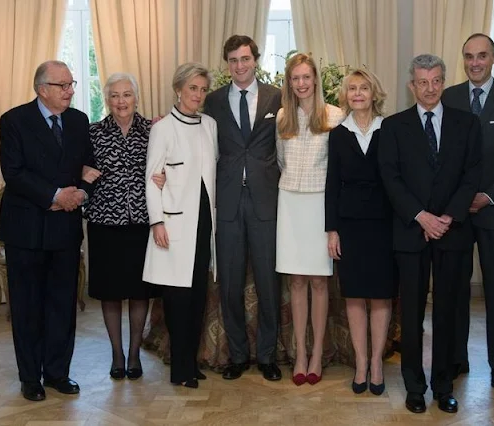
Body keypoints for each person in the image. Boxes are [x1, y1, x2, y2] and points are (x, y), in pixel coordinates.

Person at [378, 54, 482, 414]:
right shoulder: (393, 127)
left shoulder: (467, 124)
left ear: (443, 81)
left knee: (448, 311)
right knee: (411, 313)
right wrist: (422, 217)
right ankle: (414, 387)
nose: (430, 88)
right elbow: (390, 179)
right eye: (422, 82)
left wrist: (447, 218)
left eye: (436, 80)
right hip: (411, 233)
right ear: (412, 86)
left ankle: (442, 386)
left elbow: (472, 175)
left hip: (452, 233)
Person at [0, 60, 94, 401]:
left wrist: (79, 194)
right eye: (63, 85)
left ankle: (57, 373)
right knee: (27, 308)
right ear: (42, 89)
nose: (70, 90)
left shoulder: (79, 121)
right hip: (26, 231)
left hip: (64, 230)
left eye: (71, 84)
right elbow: (14, 172)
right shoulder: (14, 120)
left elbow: (91, 167)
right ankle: (30, 378)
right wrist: (54, 195)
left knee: (61, 306)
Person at [441, 33, 494, 388]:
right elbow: (443, 157)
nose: (475, 62)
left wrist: (489, 196)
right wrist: (460, 200)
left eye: (481, 56)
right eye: (468, 56)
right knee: (455, 290)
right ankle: (456, 358)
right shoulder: (449, 97)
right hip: (457, 215)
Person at [204, 35, 283, 381]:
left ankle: (267, 356)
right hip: (229, 202)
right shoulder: (213, 101)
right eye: (233, 60)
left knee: (269, 282)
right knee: (230, 284)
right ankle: (237, 354)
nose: (240, 65)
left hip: (267, 201)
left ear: (256, 60)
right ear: (227, 64)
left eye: (245, 58)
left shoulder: (277, 98)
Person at [142, 62, 218, 388]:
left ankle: (191, 361)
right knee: (177, 299)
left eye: (202, 89)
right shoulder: (162, 129)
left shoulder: (210, 125)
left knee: (198, 296)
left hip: (204, 225)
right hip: (172, 228)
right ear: (178, 90)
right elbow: (152, 179)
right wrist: (157, 221)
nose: (197, 95)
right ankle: (179, 367)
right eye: (192, 89)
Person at [84, 72, 161, 381]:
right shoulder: (92, 132)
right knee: (111, 292)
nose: (121, 101)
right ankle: (117, 354)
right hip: (105, 223)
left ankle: (134, 354)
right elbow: (77, 165)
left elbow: (166, 165)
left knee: (140, 292)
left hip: (142, 222)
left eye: (126, 94)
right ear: (107, 100)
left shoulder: (154, 130)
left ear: (136, 98)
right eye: (114, 95)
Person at [325, 68, 395, 395]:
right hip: (350, 224)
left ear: (373, 92)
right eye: (352, 88)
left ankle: (378, 363)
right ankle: (361, 362)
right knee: (354, 295)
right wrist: (332, 230)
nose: (357, 93)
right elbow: (331, 187)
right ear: (345, 95)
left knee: (380, 295)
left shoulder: (390, 129)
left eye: (363, 87)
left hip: (385, 223)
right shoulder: (338, 134)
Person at [276, 53, 345, 385]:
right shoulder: (281, 117)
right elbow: (278, 161)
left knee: (319, 281)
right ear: (289, 83)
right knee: (297, 282)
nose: (301, 84)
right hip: (289, 203)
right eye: (295, 78)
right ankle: (299, 353)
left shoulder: (334, 116)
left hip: (320, 204)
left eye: (306, 77)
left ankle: (317, 353)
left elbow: (340, 169)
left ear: (315, 79)